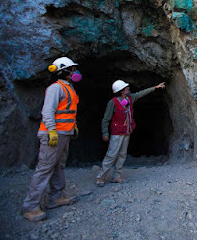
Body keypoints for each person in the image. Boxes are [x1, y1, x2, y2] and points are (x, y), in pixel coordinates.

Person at [22, 57, 82, 222]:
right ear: (64, 71)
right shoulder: (56, 88)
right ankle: (31, 207)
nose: (75, 72)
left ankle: (56, 197)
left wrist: (73, 125)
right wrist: (51, 131)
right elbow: (48, 111)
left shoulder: (69, 88)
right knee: (44, 168)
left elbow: (68, 111)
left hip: (64, 133)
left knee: (59, 166)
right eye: (72, 69)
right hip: (53, 135)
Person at [96, 80, 166, 187]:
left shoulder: (130, 98)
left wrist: (155, 87)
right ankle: (100, 177)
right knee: (112, 155)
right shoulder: (113, 103)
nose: (128, 88)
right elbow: (106, 119)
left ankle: (117, 176)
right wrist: (105, 133)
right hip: (117, 133)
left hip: (126, 132)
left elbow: (140, 94)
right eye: (126, 88)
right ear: (121, 91)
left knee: (122, 154)